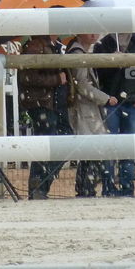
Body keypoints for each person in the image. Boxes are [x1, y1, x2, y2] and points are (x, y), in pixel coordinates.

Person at [96, 32, 135, 196]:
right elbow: (97, 74)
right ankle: (108, 187)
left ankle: (127, 186)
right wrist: (113, 64)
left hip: (132, 102)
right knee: (110, 147)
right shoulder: (104, 45)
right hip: (111, 102)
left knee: (129, 147)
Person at [17, 35, 67, 200]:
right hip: (41, 103)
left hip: (46, 103)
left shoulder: (48, 45)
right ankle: (39, 186)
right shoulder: (37, 46)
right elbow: (28, 77)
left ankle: (40, 185)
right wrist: (56, 79)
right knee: (49, 144)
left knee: (49, 144)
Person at [67, 33, 116, 198]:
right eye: (89, 31)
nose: (94, 34)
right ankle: (86, 187)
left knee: (91, 150)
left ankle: (85, 187)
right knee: (93, 149)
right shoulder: (78, 54)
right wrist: (105, 98)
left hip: (86, 107)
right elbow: (81, 85)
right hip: (84, 109)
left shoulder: (80, 52)